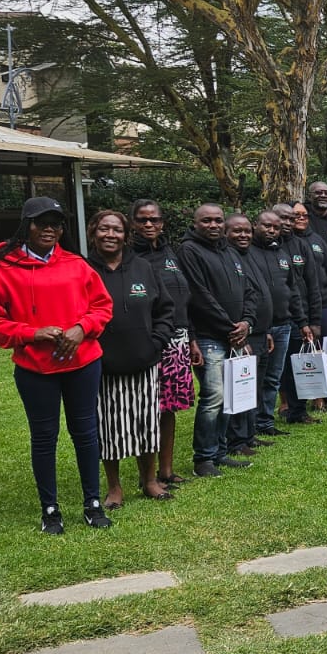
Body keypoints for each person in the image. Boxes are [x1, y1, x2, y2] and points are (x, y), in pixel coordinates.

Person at [0, 196, 114, 532]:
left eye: (56, 224)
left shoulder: (77, 264)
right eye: (42, 223)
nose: (50, 229)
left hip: (83, 363)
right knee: (44, 437)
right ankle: (50, 509)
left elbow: (102, 307)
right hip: (35, 369)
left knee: (86, 433)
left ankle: (92, 503)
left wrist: (82, 328)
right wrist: (31, 333)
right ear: (27, 226)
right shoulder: (2, 269)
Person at [89, 209, 175, 508]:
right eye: (104, 229)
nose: (110, 234)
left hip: (143, 361)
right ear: (93, 232)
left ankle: (150, 480)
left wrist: (156, 342)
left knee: (146, 423)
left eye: (117, 229)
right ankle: (114, 488)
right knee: (108, 427)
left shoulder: (143, 267)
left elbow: (165, 310)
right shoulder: (84, 269)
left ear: (126, 235)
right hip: (102, 366)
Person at [176, 202, 258, 477]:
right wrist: (230, 328)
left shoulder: (230, 252)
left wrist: (247, 323)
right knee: (214, 396)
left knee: (228, 396)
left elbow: (249, 291)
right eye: (207, 220)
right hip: (209, 336)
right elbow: (199, 296)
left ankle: (220, 452)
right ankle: (204, 458)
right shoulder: (188, 251)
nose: (213, 225)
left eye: (218, 220)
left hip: (234, 335)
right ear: (195, 223)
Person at [131, 199, 196, 488]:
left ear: (162, 223)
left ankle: (166, 470)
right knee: (147, 407)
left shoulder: (170, 253)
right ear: (132, 223)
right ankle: (147, 473)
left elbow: (184, 298)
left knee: (169, 406)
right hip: (149, 340)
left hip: (178, 339)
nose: (149, 224)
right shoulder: (130, 257)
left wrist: (191, 338)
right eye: (142, 219)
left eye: (154, 219)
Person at [246, 209, 305, 435]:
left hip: (284, 325)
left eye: (276, 227)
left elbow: (293, 290)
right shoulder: (247, 253)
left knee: (273, 378)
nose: (271, 230)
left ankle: (265, 423)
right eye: (267, 226)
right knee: (255, 378)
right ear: (255, 225)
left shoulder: (282, 254)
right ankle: (249, 426)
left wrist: (302, 322)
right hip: (259, 328)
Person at [224, 212, 275, 459]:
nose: (243, 235)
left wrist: (265, 330)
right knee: (240, 386)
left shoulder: (248, 255)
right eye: (237, 231)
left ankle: (248, 433)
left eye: (246, 231)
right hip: (244, 334)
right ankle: (236, 439)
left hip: (260, 331)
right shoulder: (229, 257)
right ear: (226, 233)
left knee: (254, 386)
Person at [289, 201, 327, 412]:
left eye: (304, 215)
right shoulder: (285, 243)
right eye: (296, 215)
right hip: (298, 306)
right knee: (298, 352)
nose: (301, 218)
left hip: (324, 303)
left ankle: (321, 396)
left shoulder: (317, 240)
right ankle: (288, 401)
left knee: (322, 349)